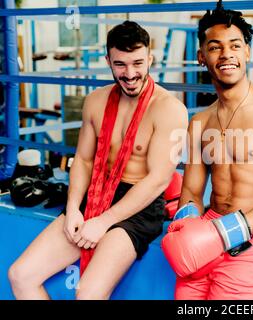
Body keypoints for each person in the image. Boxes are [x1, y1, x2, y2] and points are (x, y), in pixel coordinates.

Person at [8, 21, 188, 300]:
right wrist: (73, 208)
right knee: (20, 276)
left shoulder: (170, 109)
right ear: (108, 61)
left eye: (138, 63)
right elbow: (83, 159)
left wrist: (104, 222)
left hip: (138, 206)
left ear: (150, 59)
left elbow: (158, 180)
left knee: (88, 294)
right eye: (120, 64)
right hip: (97, 194)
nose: (130, 74)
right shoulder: (96, 101)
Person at [162, 0, 253, 300]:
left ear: (247, 52)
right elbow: (191, 192)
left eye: (235, 45)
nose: (227, 54)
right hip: (205, 238)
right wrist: (187, 227)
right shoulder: (199, 123)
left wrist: (220, 233)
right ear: (202, 57)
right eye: (215, 47)